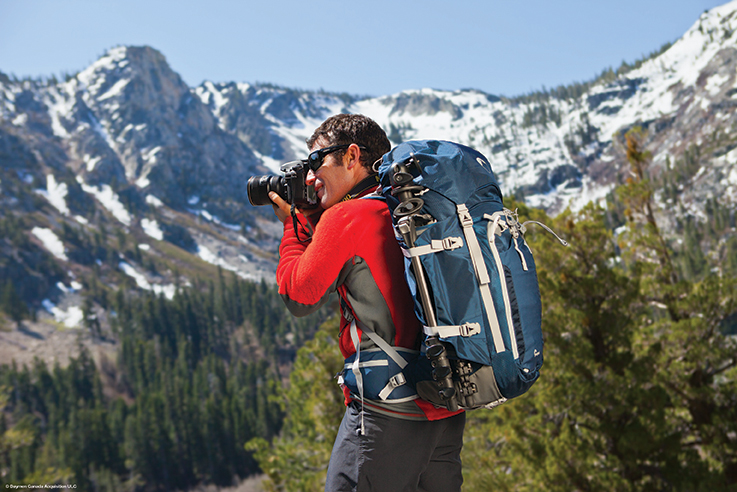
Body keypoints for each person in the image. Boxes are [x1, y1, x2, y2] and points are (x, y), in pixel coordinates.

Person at [268, 114, 465, 492]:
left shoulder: (347, 216)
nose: (309, 177)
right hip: (445, 404)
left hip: (388, 413)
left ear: (352, 156)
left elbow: (298, 295)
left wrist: (293, 227)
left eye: (316, 162)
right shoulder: (410, 208)